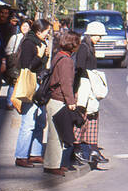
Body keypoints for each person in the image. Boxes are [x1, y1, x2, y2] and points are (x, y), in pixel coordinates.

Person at [13, 19, 50, 166]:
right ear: (39, 31)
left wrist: (44, 55)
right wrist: (40, 56)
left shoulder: (42, 43)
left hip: (40, 85)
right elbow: (28, 67)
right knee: (28, 122)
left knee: (40, 121)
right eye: (46, 31)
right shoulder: (29, 43)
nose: (48, 34)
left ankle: (35, 152)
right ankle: (21, 156)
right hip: (30, 84)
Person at [42, 30, 79, 177]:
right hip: (58, 100)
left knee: (56, 133)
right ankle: (51, 165)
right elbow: (66, 83)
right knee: (56, 134)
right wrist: (71, 101)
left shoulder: (59, 55)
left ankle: (54, 163)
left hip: (54, 99)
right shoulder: (67, 61)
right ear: (73, 44)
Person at [72, 22, 105, 167]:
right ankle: (78, 148)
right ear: (91, 34)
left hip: (88, 86)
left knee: (92, 116)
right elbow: (79, 68)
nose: (100, 38)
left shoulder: (88, 46)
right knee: (82, 117)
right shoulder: (84, 48)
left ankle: (93, 149)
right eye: (99, 35)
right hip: (84, 87)